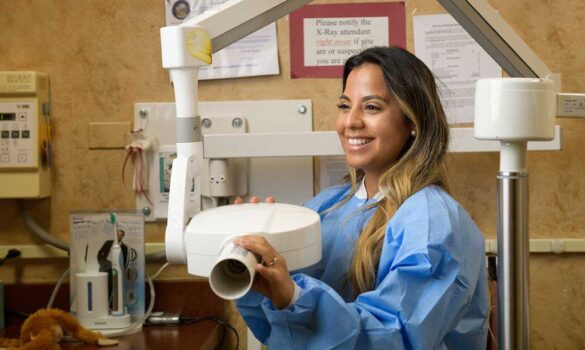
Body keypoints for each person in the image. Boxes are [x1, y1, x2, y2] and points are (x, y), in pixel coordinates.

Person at [235, 46, 488, 349]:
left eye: (371, 107)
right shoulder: (326, 207)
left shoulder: (432, 220)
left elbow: (396, 337)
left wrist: (293, 296)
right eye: (345, 105)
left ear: (412, 123)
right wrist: (251, 264)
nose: (351, 122)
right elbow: (276, 331)